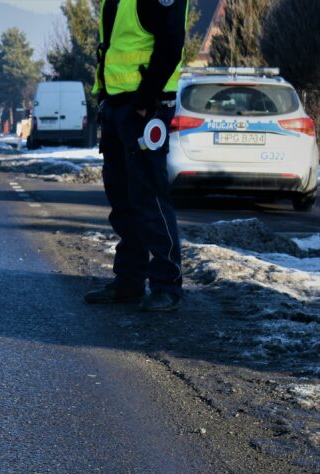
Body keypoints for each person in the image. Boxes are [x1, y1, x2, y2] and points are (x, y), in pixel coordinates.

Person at [85, 0, 188, 312]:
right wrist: (106, 100)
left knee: (149, 196)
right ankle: (128, 282)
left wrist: (143, 101)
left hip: (145, 107)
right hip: (117, 107)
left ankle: (167, 286)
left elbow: (171, 45)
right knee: (122, 198)